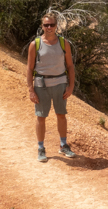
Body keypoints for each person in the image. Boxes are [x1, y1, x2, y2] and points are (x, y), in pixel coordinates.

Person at [26, 14, 76, 162]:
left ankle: (63, 145)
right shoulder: (35, 44)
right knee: (41, 117)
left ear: (56, 26)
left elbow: (70, 66)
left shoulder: (63, 43)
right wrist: (30, 89)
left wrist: (71, 86)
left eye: (52, 25)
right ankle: (41, 148)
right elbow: (29, 68)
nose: (49, 28)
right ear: (42, 26)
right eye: (46, 25)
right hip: (42, 85)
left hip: (60, 84)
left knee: (61, 115)